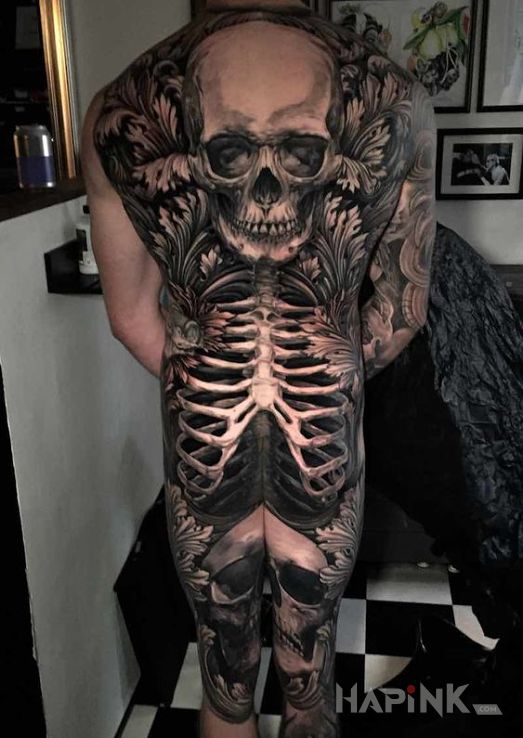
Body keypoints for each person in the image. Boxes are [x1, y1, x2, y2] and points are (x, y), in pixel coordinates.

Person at [80, 1, 437, 736]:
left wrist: (214, 384)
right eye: (231, 155)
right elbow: (402, 308)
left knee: (225, 688)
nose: (267, 190)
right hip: (326, 453)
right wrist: (326, 383)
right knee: (311, 685)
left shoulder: (117, 107)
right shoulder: (398, 100)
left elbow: (130, 317)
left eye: (301, 153)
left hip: (202, 462)